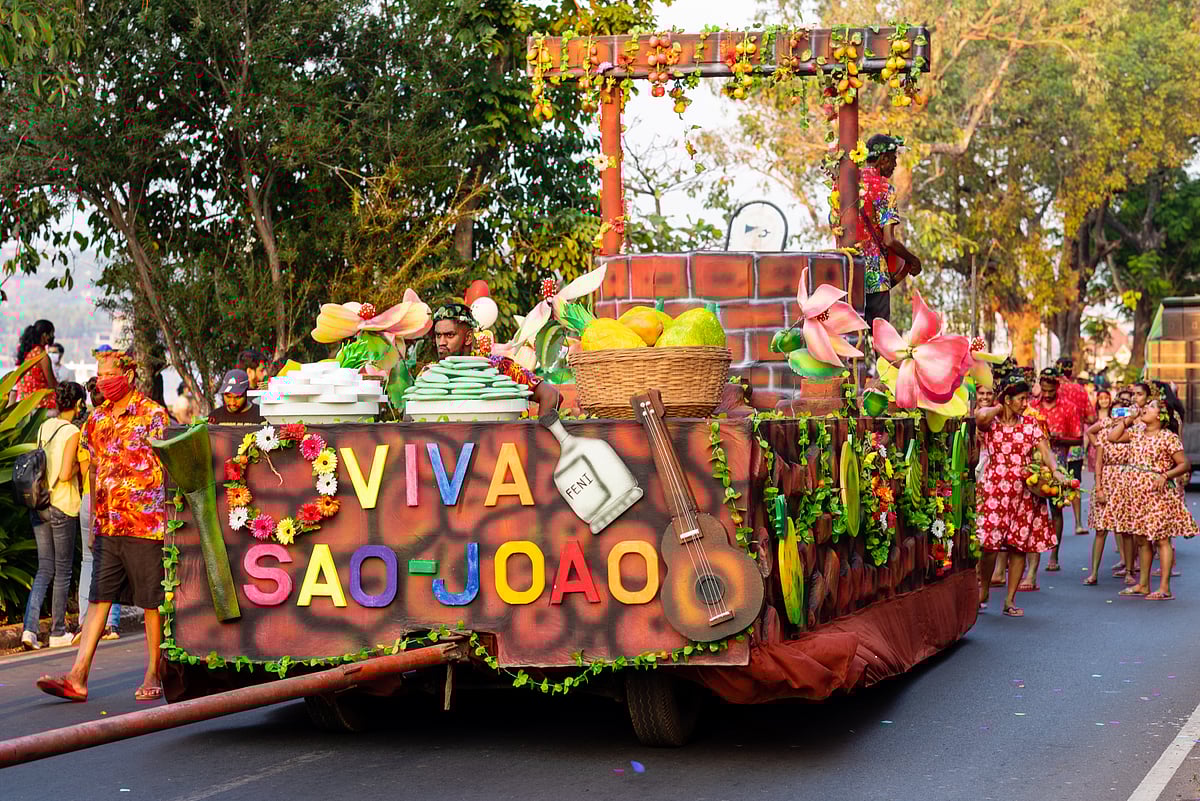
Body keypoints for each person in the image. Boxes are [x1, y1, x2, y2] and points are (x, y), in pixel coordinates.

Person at [36, 350, 169, 703]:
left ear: (129, 374)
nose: (103, 379)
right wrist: (95, 518)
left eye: (109, 372)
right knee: (98, 598)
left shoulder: (153, 415)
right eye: (99, 373)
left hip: (146, 524)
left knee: (151, 602)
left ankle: (154, 672)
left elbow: (168, 464)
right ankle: (78, 676)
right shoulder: (96, 421)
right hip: (109, 523)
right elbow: (94, 469)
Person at [975, 373, 1071, 617]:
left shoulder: (1030, 424)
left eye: (1027, 398)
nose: (1025, 403)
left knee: (1019, 546)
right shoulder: (992, 422)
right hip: (995, 490)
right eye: (1020, 398)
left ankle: (1009, 600)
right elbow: (979, 417)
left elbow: (1046, 452)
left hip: (1024, 492)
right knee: (989, 546)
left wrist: (1056, 472)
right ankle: (983, 589)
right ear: (1007, 399)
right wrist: (1000, 404)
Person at [1102, 399, 1196, 599]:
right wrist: (1128, 421)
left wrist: (1165, 475)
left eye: (1151, 407)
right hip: (1135, 494)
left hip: (1158, 494)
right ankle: (1143, 584)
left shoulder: (1168, 437)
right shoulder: (1136, 432)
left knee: (1162, 540)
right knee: (1142, 539)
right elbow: (1112, 437)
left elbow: (1184, 464)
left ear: (1161, 416)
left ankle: (1164, 588)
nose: (1145, 408)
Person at [20, 382, 87, 650]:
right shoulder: (72, 431)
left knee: (44, 568)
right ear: (79, 404)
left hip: (40, 504)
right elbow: (65, 474)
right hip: (62, 504)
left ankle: (29, 629)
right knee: (62, 572)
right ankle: (58, 631)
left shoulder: (45, 426)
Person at [424, 303, 561, 411]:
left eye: (449, 335)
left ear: (468, 338)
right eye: (438, 335)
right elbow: (410, 416)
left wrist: (537, 439)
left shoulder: (500, 367)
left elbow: (551, 396)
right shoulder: (428, 373)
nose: (441, 343)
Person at [75, 376, 122, 643]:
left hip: (87, 500)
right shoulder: (113, 425)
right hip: (110, 500)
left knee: (88, 562)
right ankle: (111, 623)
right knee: (114, 561)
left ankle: (85, 622)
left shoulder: (86, 427)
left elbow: (87, 471)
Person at [857, 134, 922, 327]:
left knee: (851, 340)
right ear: (883, 158)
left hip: (846, 271)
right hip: (875, 275)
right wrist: (913, 260)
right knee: (881, 339)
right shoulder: (884, 188)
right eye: (893, 159)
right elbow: (889, 241)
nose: (894, 165)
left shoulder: (844, 183)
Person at [1026, 368, 1082, 581]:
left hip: (1058, 463)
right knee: (1030, 511)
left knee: (1056, 511)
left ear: (1058, 387)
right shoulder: (1031, 406)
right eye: (1045, 390)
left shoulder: (1069, 407)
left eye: (1051, 390)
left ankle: (1054, 554)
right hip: (1034, 465)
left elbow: (1078, 438)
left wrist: (1061, 440)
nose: (1047, 395)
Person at [1054, 357, 1096, 534]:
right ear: (1070, 371)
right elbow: (1091, 417)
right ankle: (1078, 522)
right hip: (1075, 440)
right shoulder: (1079, 390)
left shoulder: (1050, 388)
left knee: (1052, 480)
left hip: (1055, 443)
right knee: (1075, 480)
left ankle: (1055, 521)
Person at [12, 319, 58, 411]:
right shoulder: (42, 356)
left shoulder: (27, 354)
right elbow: (52, 384)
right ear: (45, 335)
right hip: (40, 406)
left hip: (24, 404)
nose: (53, 337)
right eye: (52, 334)